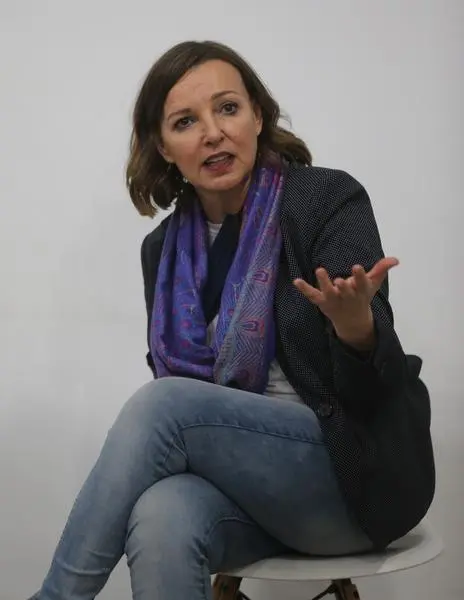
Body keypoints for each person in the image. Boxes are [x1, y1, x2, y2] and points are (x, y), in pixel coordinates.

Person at [29, 40, 435, 600]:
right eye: (185, 122)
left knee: (163, 404)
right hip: (248, 497)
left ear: (257, 116)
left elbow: (374, 391)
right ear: (163, 147)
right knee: (161, 513)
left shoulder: (323, 199)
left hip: (350, 483)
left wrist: (354, 327)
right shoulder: (162, 251)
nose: (213, 132)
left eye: (227, 108)